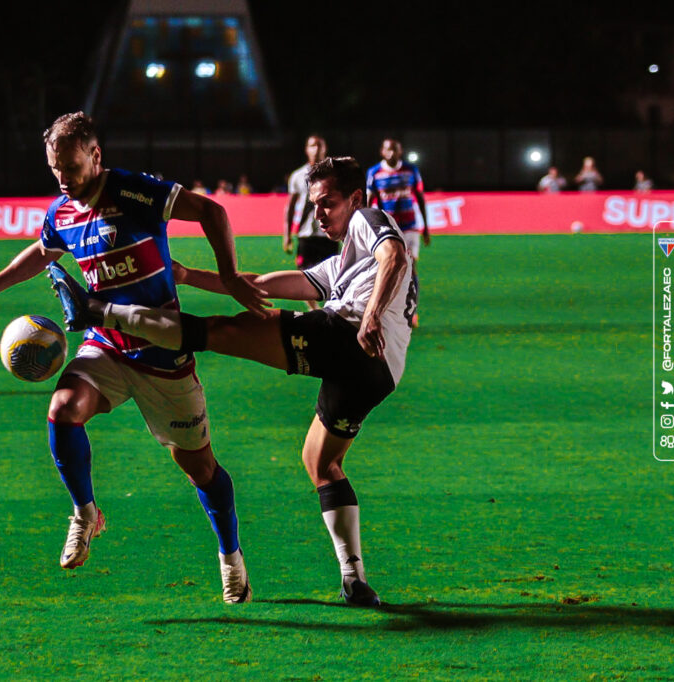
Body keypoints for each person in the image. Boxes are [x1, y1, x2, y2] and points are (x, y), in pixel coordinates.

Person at [49, 156, 414, 607]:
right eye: (315, 205)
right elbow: (260, 284)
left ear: (356, 199)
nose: (319, 214)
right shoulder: (342, 265)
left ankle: (99, 312)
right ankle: (354, 579)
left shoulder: (368, 219)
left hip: (350, 338)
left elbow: (395, 255)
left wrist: (373, 315)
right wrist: (188, 276)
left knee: (219, 333)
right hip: (376, 374)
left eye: (328, 203)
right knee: (321, 464)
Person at [0, 112, 267, 603]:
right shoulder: (61, 213)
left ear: (96, 155)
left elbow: (213, 213)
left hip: (163, 354)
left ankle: (230, 556)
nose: (63, 179)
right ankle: (85, 513)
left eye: (71, 167)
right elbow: (41, 251)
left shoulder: (135, 192)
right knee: (62, 410)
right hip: (106, 345)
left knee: (200, 469)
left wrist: (232, 275)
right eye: (55, 169)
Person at [366, 138, 426, 326]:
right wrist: (368, 226)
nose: (391, 153)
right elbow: (370, 200)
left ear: (400, 152)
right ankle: (386, 310)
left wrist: (427, 228)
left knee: (410, 267)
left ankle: (412, 311)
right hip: (388, 228)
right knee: (387, 269)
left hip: (409, 226)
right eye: (388, 150)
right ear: (382, 152)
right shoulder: (374, 172)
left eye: (395, 150)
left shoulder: (411, 170)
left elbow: (419, 196)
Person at [283, 134, 338, 310]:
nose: (316, 149)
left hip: (329, 232)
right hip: (305, 233)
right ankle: (314, 310)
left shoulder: (335, 175)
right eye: (312, 145)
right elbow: (290, 207)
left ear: (325, 149)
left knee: (333, 275)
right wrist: (287, 235)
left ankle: (330, 308)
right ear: (306, 149)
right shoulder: (298, 175)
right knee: (304, 274)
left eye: (319, 146)